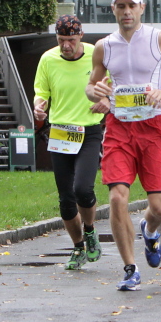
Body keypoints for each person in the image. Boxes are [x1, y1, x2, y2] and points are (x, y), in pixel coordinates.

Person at [85, 0, 161, 291]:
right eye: (121, 6)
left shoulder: (159, 39)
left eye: (132, 6)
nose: (127, 11)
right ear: (113, 10)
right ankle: (130, 269)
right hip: (119, 128)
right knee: (117, 197)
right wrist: (98, 93)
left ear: (142, 8)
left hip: (154, 127)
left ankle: (149, 230)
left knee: (160, 208)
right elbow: (91, 86)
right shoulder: (104, 46)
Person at [33, 15, 108, 270]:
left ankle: (90, 230)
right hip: (61, 132)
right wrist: (39, 107)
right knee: (66, 199)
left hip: (89, 130)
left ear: (81, 36)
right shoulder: (48, 59)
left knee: (83, 190)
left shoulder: (96, 54)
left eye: (71, 40)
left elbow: (110, 85)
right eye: (61, 40)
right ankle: (77, 248)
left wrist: (105, 101)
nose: (66, 45)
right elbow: (41, 92)